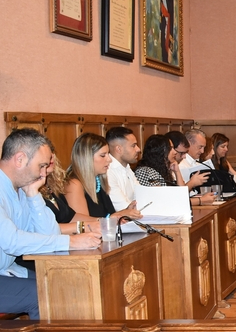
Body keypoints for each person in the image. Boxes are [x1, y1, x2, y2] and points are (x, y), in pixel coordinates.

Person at [1, 128, 100, 319]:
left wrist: (33, 195)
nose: (44, 173)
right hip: (4, 273)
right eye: (41, 166)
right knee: (45, 294)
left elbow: (49, 232)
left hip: (6, 270)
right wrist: (70, 242)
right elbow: (11, 242)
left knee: (63, 282)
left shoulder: (22, 189)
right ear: (20, 159)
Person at [64, 133, 142, 220]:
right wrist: (115, 217)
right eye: (102, 155)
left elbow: (107, 215)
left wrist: (125, 212)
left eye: (108, 154)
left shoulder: (98, 179)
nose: (109, 159)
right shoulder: (74, 184)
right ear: (86, 157)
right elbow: (83, 225)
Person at [136, 135, 215, 206]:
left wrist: (177, 172)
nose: (174, 152)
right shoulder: (146, 172)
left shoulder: (164, 170)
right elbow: (167, 202)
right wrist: (200, 200)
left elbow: (181, 195)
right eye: (170, 148)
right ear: (160, 151)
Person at [105, 126, 141, 212]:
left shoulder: (127, 167)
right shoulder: (107, 170)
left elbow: (140, 196)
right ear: (118, 149)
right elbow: (124, 208)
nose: (138, 149)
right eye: (133, 146)